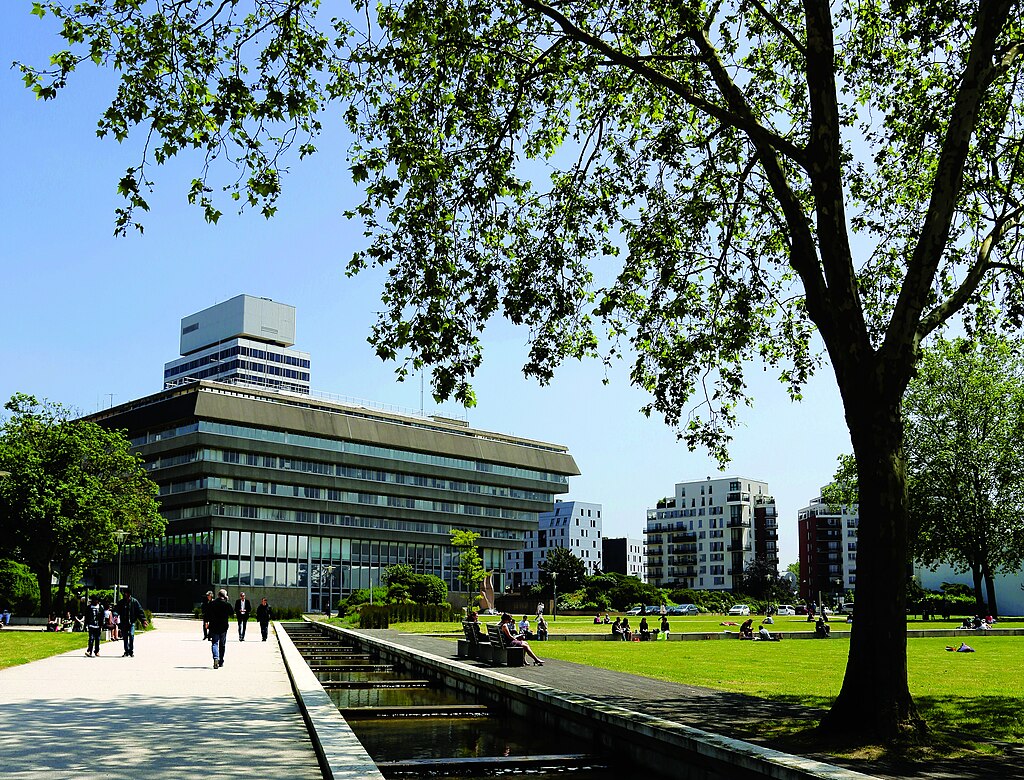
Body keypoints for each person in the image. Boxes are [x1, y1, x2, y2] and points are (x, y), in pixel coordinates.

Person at [206, 589, 234, 668]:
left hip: (214, 626)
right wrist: (227, 600)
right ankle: (221, 660)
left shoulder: (212, 604)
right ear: (225, 596)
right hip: (223, 627)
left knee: (214, 643)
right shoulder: (226, 604)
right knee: (222, 644)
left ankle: (216, 658)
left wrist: (206, 623)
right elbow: (232, 613)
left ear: (218, 595)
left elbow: (207, 614)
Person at [115, 587, 147, 657]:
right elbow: (116, 610)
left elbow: (140, 611)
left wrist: (143, 620)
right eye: (124, 594)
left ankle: (131, 651)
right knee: (125, 637)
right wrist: (115, 615)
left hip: (132, 622)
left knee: (131, 636)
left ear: (129, 594)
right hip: (124, 622)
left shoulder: (134, 602)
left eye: (126, 594)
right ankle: (126, 651)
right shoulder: (121, 602)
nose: (125, 595)